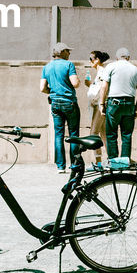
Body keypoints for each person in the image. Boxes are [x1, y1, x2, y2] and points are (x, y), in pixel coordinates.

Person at [40, 42, 80, 174]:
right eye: (68, 51)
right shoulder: (69, 65)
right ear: (62, 52)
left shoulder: (47, 67)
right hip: (69, 103)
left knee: (59, 134)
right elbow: (75, 83)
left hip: (55, 104)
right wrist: (78, 81)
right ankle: (74, 164)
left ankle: (60, 166)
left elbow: (42, 88)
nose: (69, 53)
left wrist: (52, 92)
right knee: (73, 134)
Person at [101, 47, 137, 167]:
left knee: (111, 134)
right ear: (129, 58)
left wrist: (101, 104)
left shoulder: (111, 67)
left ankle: (114, 162)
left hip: (114, 102)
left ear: (117, 58)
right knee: (127, 135)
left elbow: (104, 87)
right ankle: (125, 163)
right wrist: (136, 108)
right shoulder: (136, 69)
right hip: (130, 103)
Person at [84, 50, 111, 170]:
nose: (90, 61)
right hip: (101, 105)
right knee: (104, 134)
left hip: (99, 105)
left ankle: (99, 162)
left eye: (91, 59)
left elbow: (102, 89)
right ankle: (110, 160)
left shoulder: (102, 72)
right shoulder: (100, 72)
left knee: (94, 133)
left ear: (97, 60)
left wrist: (100, 104)